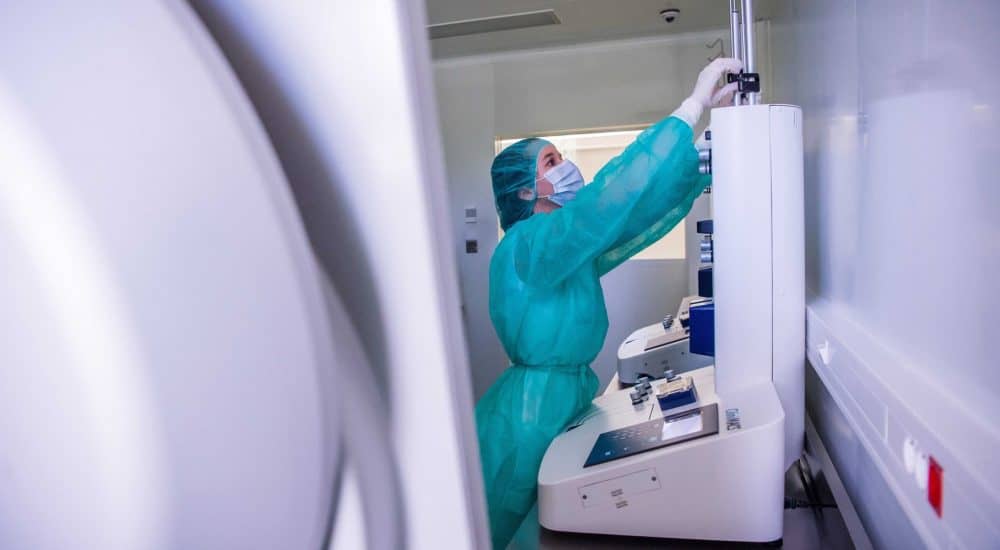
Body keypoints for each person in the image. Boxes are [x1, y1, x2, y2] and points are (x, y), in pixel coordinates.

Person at [476, 57, 743, 548]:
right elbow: (608, 199)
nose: (565, 167)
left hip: (564, 395)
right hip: (531, 413)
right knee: (525, 526)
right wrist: (689, 110)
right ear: (525, 189)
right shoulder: (529, 245)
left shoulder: (561, 246)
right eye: (551, 163)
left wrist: (699, 152)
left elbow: (629, 213)